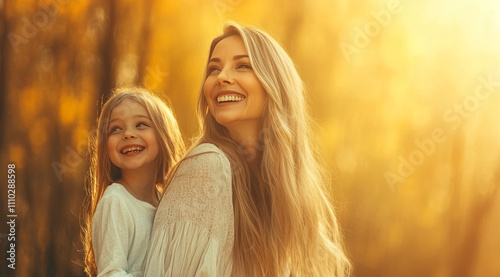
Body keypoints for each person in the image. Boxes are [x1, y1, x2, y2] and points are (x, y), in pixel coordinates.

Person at [143, 22, 351, 276]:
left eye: (242, 65)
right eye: (214, 69)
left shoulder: (284, 189)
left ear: (275, 84)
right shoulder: (207, 167)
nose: (221, 77)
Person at [81, 87, 185, 276]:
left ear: (163, 136)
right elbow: (111, 273)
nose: (128, 134)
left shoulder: (167, 202)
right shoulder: (115, 202)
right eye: (116, 129)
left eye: (141, 124)